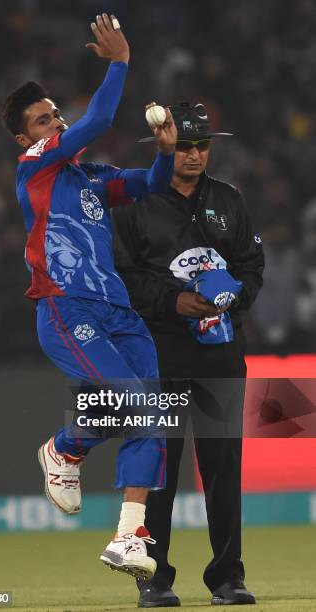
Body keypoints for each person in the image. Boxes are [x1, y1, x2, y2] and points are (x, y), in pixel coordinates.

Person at [2, 13, 177, 579]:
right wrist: (121, 61)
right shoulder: (34, 166)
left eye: (55, 113)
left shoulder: (91, 176)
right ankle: (64, 446)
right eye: (43, 119)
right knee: (131, 398)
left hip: (120, 313)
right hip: (65, 305)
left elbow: (150, 185)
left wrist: (167, 151)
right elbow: (100, 115)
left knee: (154, 409)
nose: (55, 122)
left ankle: (129, 536)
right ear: (26, 138)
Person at [112, 101, 264, 605]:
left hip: (220, 354)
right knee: (158, 469)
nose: (195, 154)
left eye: (202, 145)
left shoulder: (230, 200)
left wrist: (232, 297)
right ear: (163, 147)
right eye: (184, 146)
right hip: (159, 353)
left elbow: (250, 266)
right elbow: (121, 279)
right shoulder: (136, 204)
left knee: (224, 468)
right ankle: (152, 579)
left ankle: (228, 578)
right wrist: (172, 300)